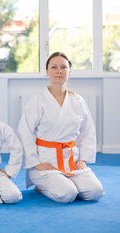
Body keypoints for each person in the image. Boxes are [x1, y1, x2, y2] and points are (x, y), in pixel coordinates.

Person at [17, 52, 105, 203]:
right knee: (68, 194)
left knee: (96, 192)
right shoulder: (37, 101)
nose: (59, 71)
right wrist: (36, 163)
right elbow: (24, 132)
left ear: (69, 72)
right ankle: (42, 186)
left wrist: (83, 158)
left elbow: (88, 130)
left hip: (71, 160)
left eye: (63, 67)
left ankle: (67, 182)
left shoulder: (78, 101)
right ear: (47, 71)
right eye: (54, 67)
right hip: (45, 162)